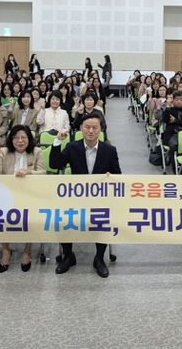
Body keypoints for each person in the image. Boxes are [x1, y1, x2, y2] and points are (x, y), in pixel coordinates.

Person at [49, 112, 122, 278]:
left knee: (104, 217)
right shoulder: (72, 147)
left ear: (100, 129)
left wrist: (109, 180)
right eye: (87, 127)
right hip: (76, 197)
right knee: (64, 217)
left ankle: (99, 258)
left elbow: (118, 175)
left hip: (100, 198)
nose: (90, 131)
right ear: (81, 128)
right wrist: (58, 141)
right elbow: (54, 164)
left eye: (94, 127)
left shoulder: (109, 150)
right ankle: (68, 256)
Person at [0, 125, 45, 273]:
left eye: (23, 137)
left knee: (31, 217)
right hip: (7, 194)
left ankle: (27, 250)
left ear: (29, 139)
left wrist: (29, 173)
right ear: (11, 139)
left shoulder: (37, 151)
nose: (20, 141)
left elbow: (43, 173)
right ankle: (5, 250)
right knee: (1, 216)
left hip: (30, 194)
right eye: (16, 138)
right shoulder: (3, 152)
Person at [160, 91, 182, 172]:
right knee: (174, 145)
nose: (179, 101)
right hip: (172, 134)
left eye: (181, 100)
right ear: (173, 100)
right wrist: (168, 106)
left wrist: (175, 120)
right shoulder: (169, 110)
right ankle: (175, 167)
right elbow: (165, 120)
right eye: (177, 99)